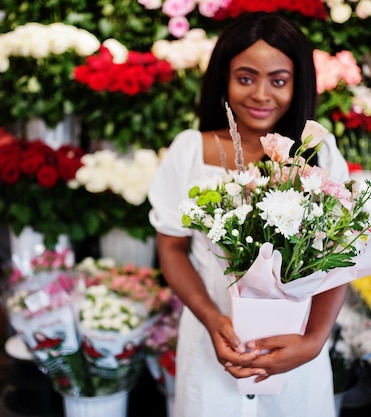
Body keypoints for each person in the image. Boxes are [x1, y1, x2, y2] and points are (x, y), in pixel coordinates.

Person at [148, 11, 350, 417]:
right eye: (245, 78)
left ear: (298, 83)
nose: (261, 94)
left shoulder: (318, 154)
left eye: (278, 80)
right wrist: (210, 317)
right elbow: (170, 249)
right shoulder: (190, 150)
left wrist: (313, 340)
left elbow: (342, 256)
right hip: (212, 343)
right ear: (224, 78)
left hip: (294, 348)